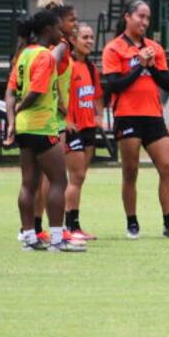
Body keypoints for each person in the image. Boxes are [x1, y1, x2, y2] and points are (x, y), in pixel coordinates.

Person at [102, 0, 169, 239]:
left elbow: (167, 83)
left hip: (153, 115)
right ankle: (132, 223)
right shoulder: (114, 48)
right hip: (127, 116)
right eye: (140, 16)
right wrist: (138, 66)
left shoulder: (154, 48)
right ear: (127, 17)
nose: (144, 22)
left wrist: (150, 66)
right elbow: (114, 85)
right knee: (130, 171)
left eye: (147, 18)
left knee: (168, 168)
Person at [5, 10, 83, 252]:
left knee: (28, 184)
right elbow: (37, 91)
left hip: (24, 127)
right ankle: (58, 240)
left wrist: (12, 120)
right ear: (48, 29)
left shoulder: (24, 55)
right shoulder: (45, 57)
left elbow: (10, 91)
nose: (61, 32)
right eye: (58, 28)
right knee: (59, 181)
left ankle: (29, 238)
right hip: (42, 126)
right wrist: (21, 106)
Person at [64, 23, 102, 242]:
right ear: (73, 40)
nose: (89, 41)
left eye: (91, 37)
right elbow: (57, 94)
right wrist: (66, 119)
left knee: (79, 178)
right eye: (85, 37)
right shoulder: (66, 65)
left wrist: (99, 115)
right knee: (75, 177)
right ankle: (69, 226)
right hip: (73, 128)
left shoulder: (90, 67)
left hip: (88, 128)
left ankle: (73, 225)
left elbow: (97, 95)